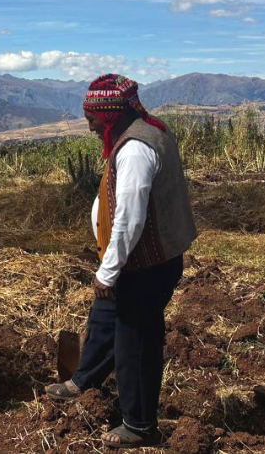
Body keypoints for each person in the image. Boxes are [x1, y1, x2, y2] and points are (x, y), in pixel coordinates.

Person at [44, 74, 197, 449]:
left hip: (145, 265)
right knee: (104, 318)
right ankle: (84, 380)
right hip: (135, 260)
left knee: (137, 342)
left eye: (93, 118)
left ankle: (140, 424)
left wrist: (108, 271)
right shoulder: (139, 135)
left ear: (110, 115)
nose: (90, 126)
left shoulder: (135, 149)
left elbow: (130, 218)